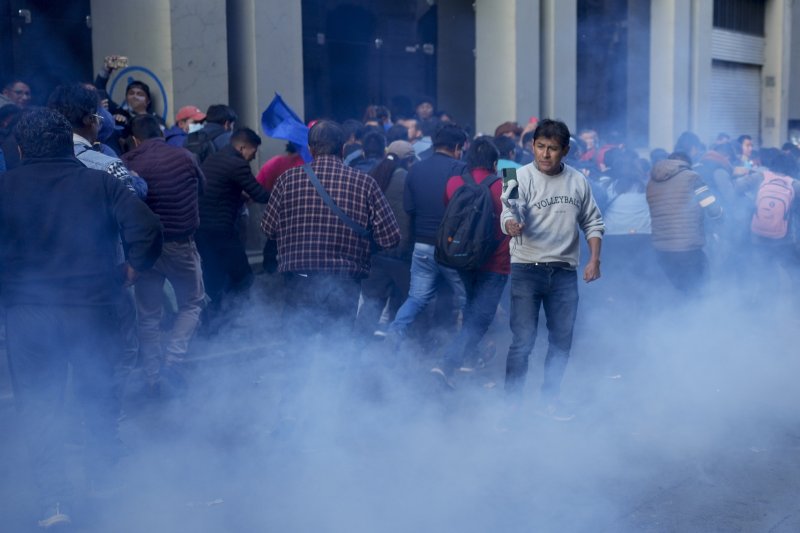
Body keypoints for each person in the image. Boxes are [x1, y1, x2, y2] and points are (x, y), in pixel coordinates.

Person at [0, 108, 162, 528]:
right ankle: (103, 480)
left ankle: (54, 501)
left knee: (40, 404)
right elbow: (145, 228)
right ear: (66, 143)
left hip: (29, 315)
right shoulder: (102, 183)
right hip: (94, 307)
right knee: (99, 393)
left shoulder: (5, 187)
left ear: (19, 148)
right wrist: (134, 267)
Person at [502, 119, 605, 421]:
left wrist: (594, 259)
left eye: (553, 149)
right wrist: (511, 223)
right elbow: (509, 209)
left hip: (563, 272)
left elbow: (593, 221)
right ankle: (511, 407)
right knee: (522, 342)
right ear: (532, 145)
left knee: (561, 341)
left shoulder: (578, 181)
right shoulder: (514, 175)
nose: (545, 154)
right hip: (525, 269)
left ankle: (550, 400)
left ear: (566, 151)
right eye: (540, 147)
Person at [261, 120, 400, 334]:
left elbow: (268, 228)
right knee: (337, 345)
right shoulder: (365, 183)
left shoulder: (287, 180)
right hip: (344, 278)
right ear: (343, 149)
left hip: (299, 276)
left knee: (298, 344)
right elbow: (389, 238)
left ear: (310, 149)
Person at [122, 114, 206, 393]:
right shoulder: (184, 156)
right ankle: (173, 362)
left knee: (148, 314)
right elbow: (201, 189)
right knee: (192, 303)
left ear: (135, 139)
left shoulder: (128, 161)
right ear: (161, 132)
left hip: (146, 249)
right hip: (181, 244)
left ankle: (152, 377)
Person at [430, 136, 510, 388]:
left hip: (462, 258)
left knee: (471, 309)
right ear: (495, 163)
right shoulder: (509, 182)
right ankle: (447, 363)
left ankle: (470, 359)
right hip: (496, 262)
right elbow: (520, 217)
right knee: (481, 317)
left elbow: (448, 211)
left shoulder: (453, 182)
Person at [386, 123, 468, 342]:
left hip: (421, 246)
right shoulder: (460, 170)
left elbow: (409, 208)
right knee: (466, 297)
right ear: (458, 146)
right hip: (451, 247)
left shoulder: (415, 170)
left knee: (416, 298)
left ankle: (395, 331)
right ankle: (470, 349)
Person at [196, 128, 268, 330]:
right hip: (221, 230)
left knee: (216, 278)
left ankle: (214, 326)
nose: (253, 158)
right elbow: (261, 194)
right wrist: (282, 193)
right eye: (253, 152)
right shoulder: (237, 164)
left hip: (202, 230)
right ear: (242, 147)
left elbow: (220, 190)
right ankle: (231, 322)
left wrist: (240, 197)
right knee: (244, 277)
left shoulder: (214, 158)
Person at [356, 140, 417, 338]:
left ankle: (354, 350)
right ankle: (396, 349)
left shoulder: (372, 175)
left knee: (372, 304)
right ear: (408, 160)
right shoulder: (407, 179)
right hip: (400, 253)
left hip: (374, 252)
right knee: (403, 302)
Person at [646, 152, 722, 294]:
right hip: (689, 249)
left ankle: (674, 315)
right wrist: (720, 218)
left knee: (677, 291)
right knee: (699, 290)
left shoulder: (651, 182)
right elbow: (711, 206)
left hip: (661, 250)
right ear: (686, 164)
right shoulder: (692, 177)